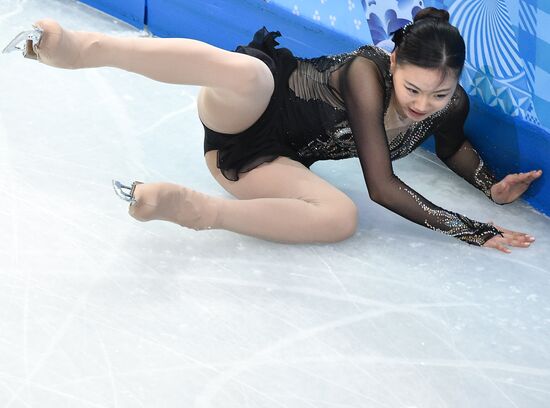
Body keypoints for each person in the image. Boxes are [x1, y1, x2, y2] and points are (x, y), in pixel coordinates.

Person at [4, 7, 542, 253]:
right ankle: (84, 49)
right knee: (249, 72)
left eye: (440, 93)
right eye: (413, 89)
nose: (425, 105)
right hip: (245, 109)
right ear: (394, 61)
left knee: (340, 217)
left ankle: (196, 210)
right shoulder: (363, 73)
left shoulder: (450, 106)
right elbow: (382, 184)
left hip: (259, 165)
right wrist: (472, 230)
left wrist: (487, 184)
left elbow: (452, 146)